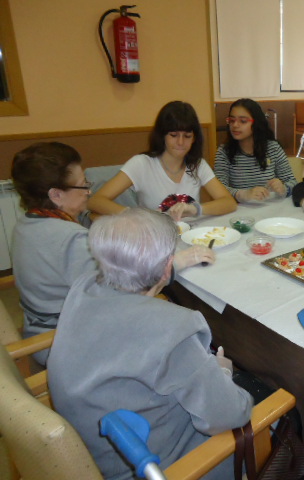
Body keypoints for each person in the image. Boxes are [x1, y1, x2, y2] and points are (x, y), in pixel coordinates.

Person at [47, 208, 253, 480]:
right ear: (167, 266)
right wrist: (223, 371)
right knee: (263, 406)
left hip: (94, 445)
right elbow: (228, 416)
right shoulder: (173, 327)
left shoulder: (83, 287)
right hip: (155, 464)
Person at [10, 142, 214, 365]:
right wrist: (178, 262)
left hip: (42, 326)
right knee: (181, 327)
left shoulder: (25, 224)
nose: (88, 191)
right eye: (82, 186)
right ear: (56, 194)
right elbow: (126, 294)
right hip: (68, 340)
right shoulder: (71, 240)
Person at [88, 100, 236, 221]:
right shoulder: (142, 164)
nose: (180, 142)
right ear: (162, 135)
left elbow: (228, 202)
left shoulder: (197, 165)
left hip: (190, 236)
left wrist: (195, 209)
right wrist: (134, 216)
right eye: (173, 135)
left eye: (187, 136)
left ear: (194, 138)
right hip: (154, 238)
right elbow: (96, 201)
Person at [214, 98, 297, 203]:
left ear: (256, 123)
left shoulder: (273, 148)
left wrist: (284, 188)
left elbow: (293, 183)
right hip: (241, 210)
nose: (235, 125)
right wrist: (242, 194)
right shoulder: (224, 152)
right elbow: (219, 190)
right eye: (232, 120)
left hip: (271, 207)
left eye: (243, 121)